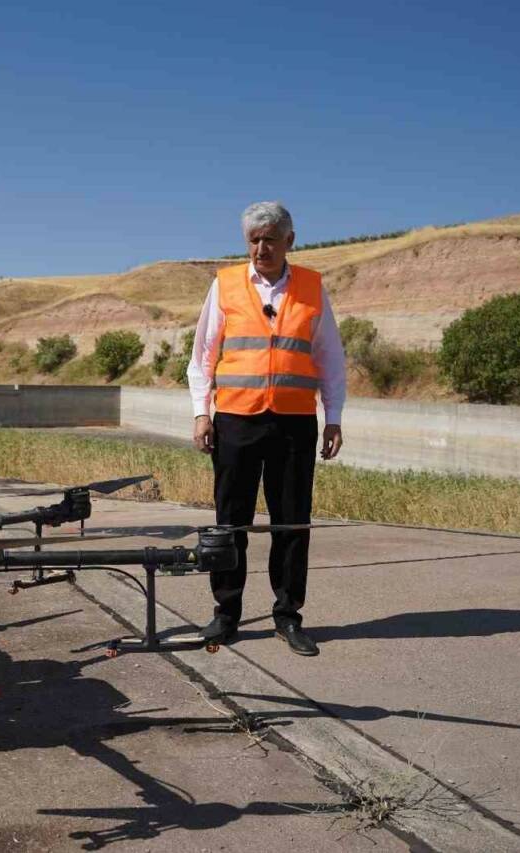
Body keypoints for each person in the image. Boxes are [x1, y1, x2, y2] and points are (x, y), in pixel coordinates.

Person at [185, 201, 346, 656]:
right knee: (230, 521)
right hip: (236, 420)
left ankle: (288, 616)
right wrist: (201, 413)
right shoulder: (225, 284)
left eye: (270, 239)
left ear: (289, 241)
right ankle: (226, 613)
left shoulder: (312, 287)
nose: (261, 248)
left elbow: (330, 358)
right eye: (253, 240)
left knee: (291, 523)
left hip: (294, 424)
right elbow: (202, 356)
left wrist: (333, 416)